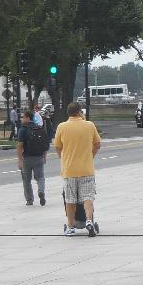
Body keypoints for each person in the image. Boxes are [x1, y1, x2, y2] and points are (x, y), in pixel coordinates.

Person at [54, 102, 101, 237]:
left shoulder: (62, 127)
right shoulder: (89, 125)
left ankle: (70, 226)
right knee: (88, 198)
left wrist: (63, 158)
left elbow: (57, 146)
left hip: (69, 170)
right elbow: (97, 144)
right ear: (80, 112)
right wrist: (90, 156)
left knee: (70, 200)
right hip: (86, 169)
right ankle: (88, 220)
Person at [15, 110, 48, 206]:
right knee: (40, 177)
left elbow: (20, 146)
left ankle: (29, 200)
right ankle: (41, 191)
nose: (22, 119)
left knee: (26, 179)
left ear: (28, 118)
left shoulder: (23, 129)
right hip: (39, 157)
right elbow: (45, 144)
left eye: (23, 117)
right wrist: (45, 157)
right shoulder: (39, 128)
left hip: (27, 158)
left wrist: (20, 160)